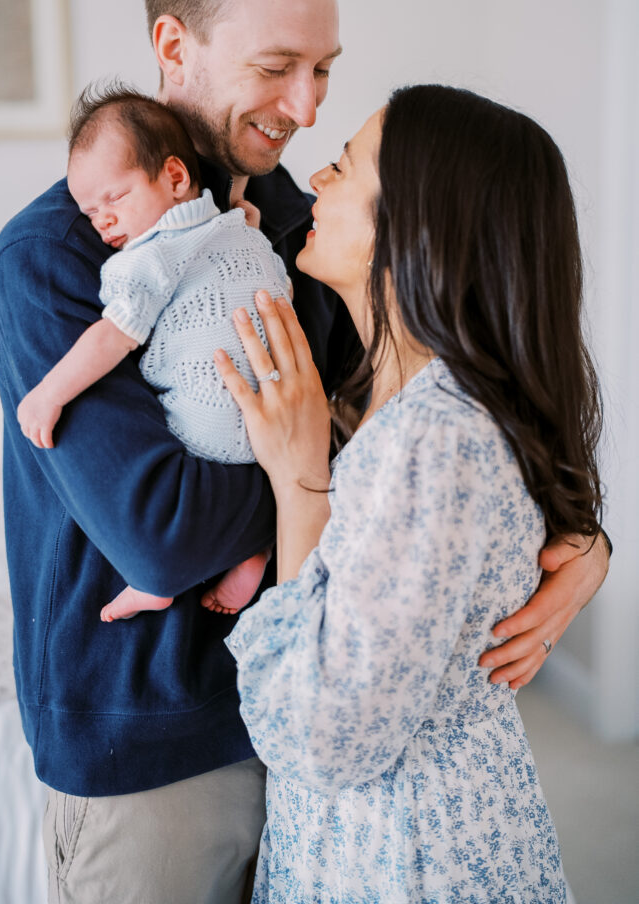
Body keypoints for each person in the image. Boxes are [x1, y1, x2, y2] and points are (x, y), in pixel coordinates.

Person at [0, 0, 609, 904]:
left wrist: (575, 532)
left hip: (328, 735)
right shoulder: (61, 253)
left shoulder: (294, 224)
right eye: (275, 67)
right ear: (172, 44)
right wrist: (313, 465)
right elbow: (164, 534)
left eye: (322, 68)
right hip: (159, 753)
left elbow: (436, 410)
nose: (308, 106)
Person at [218, 84, 603, 902]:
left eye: (346, 167)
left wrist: (299, 480)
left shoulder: (434, 439)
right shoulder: (410, 413)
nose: (318, 176)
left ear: (415, 228)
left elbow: (325, 740)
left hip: (402, 856)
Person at [17, 84, 289, 619]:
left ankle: (156, 579)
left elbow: (112, 337)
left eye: (114, 199)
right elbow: (280, 292)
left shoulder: (149, 257)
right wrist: (252, 233)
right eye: (90, 212)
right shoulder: (242, 230)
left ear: (175, 176)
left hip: (204, 425)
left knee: (164, 416)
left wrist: (49, 392)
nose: (102, 223)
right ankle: (257, 549)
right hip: (273, 429)